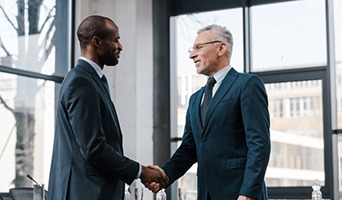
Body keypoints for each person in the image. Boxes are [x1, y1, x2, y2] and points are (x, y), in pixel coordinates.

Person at [48, 15, 167, 200]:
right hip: (84, 193)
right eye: (116, 39)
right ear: (96, 42)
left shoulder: (94, 81)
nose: (120, 46)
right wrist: (140, 171)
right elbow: (94, 149)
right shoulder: (81, 81)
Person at [148, 24, 271, 200]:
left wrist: (248, 193)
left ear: (221, 48)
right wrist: (164, 175)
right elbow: (189, 149)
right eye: (192, 49)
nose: (191, 55)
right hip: (206, 194)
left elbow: (259, 143)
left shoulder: (247, 84)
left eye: (199, 47)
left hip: (240, 193)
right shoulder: (195, 99)